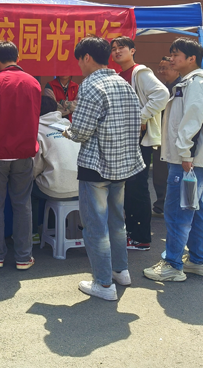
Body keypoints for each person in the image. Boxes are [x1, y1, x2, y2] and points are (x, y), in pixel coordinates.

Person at [64, 36, 144, 301]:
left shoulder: (90, 85)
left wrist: (68, 132)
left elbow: (81, 131)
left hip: (96, 167)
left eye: (79, 60)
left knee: (95, 227)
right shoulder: (123, 82)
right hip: (122, 165)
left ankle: (103, 283)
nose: (79, 65)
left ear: (86, 57)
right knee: (116, 222)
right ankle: (121, 271)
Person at [144, 38, 203, 282]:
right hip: (190, 160)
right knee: (193, 210)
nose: (171, 59)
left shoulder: (196, 84)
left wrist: (186, 154)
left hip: (186, 161)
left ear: (191, 58)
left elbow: (192, 121)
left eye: (176, 54)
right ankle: (197, 260)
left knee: (178, 212)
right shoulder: (194, 82)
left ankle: (172, 264)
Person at [0, 40, 41, 271]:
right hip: (24, 153)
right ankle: (23, 257)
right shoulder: (33, 82)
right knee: (23, 205)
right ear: (18, 57)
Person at [110, 36, 169, 251]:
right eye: (114, 49)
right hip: (126, 139)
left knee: (137, 187)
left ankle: (141, 238)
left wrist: (140, 118)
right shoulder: (119, 75)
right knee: (128, 188)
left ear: (133, 50)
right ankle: (132, 234)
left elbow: (162, 94)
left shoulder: (139, 72)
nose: (117, 51)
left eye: (122, 47)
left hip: (140, 139)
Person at [32, 95, 79, 241]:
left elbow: (35, 167)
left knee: (27, 188)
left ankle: (32, 233)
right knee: (52, 180)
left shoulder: (37, 130)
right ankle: (58, 228)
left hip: (56, 189)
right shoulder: (69, 125)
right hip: (81, 187)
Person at [151, 56, 181, 216]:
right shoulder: (162, 88)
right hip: (161, 136)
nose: (161, 71)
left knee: (172, 173)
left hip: (176, 138)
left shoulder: (181, 88)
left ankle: (169, 206)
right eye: (160, 68)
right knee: (159, 173)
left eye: (165, 68)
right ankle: (161, 204)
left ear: (176, 69)